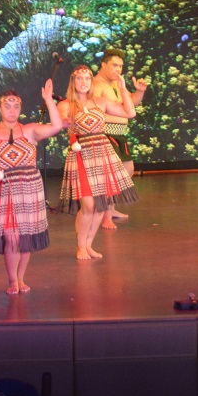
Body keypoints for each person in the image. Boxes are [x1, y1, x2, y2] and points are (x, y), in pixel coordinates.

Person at [0, 80, 63, 295]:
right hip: (5, 190)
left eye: (16, 106)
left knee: (25, 237)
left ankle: (21, 277)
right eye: (7, 106)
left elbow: (57, 126)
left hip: (30, 188)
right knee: (12, 237)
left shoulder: (30, 130)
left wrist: (48, 100)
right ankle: (12, 280)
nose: (12, 110)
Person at [59, 64, 139, 260]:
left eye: (87, 78)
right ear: (73, 82)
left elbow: (130, 113)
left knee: (100, 205)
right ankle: (80, 246)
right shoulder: (66, 105)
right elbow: (60, 122)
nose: (84, 82)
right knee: (88, 205)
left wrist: (122, 88)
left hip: (102, 152)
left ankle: (88, 244)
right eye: (79, 78)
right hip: (81, 155)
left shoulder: (100, 102)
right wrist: (64, 122)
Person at [92, 48, 149, 230]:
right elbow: (94, 110)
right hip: (106, 134)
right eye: (114, 65)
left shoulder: (117, 83)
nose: (118, 69)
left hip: (120, 134)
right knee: (110, 176)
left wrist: (139, 92)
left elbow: (130, 103)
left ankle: (111, 208)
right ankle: (106, 216)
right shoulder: (97, 84)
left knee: (127, 171)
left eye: (120, 66)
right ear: (103, 65)